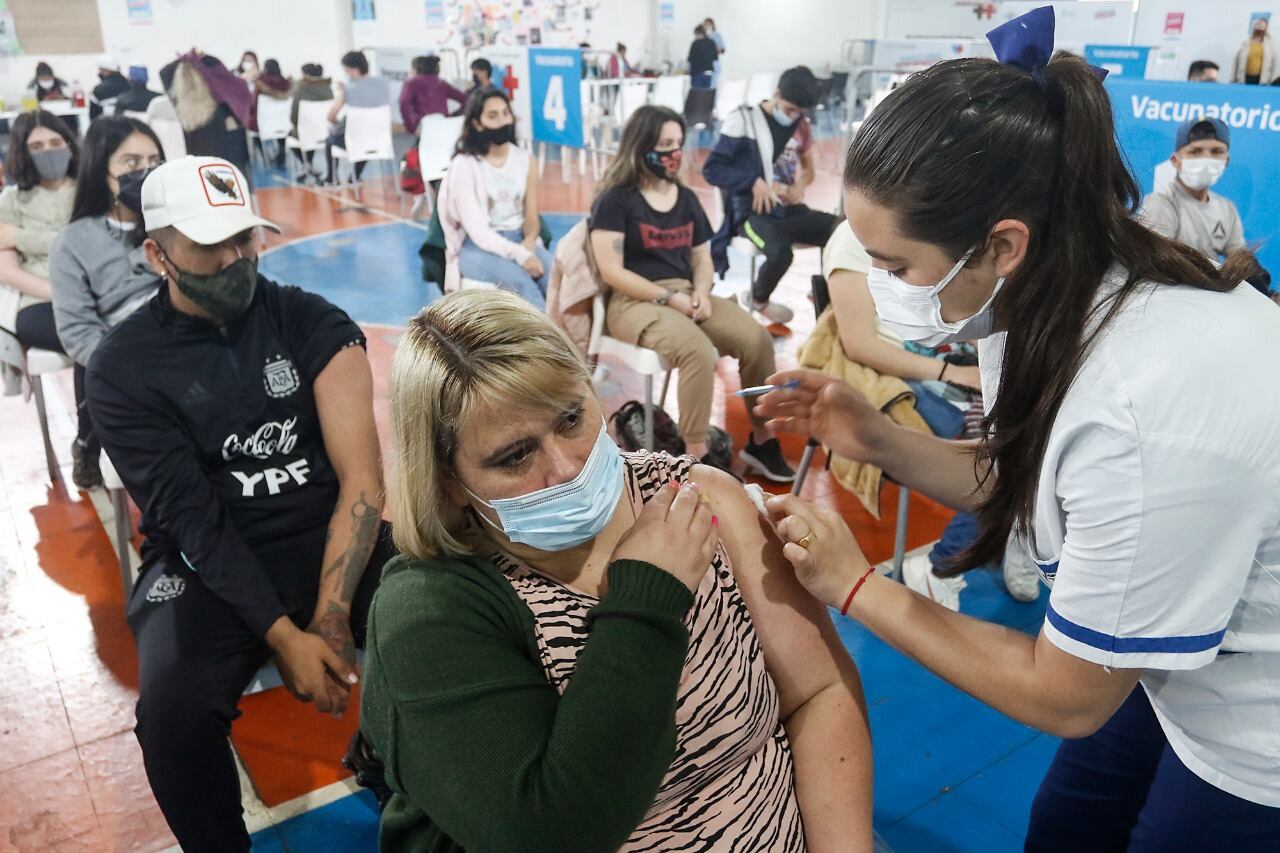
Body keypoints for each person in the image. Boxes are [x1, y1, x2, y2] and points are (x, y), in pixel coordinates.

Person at [761, 9, 1280, 850]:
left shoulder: (1142, 410)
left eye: (895, 268)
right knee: (1066, 823)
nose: (882, 287)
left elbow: (1066, 696)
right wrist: (880, 439)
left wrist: (856, 587)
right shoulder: (1046, 301)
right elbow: (1039, 482)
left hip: (1257, 725)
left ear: (1002, 243)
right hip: (1173, 657)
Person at [360, 288, 873, 852]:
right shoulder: (430, 612)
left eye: (572, 418)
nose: (566, 467)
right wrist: (648, 599)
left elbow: (820, 691)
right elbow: (552, 834)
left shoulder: (696, 497)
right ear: (447, 481)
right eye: (515, 456)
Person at [86, 155, 394, 852]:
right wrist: (285, 637)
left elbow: (363, 483)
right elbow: (196, 523)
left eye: (243, 239)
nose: (232, 259)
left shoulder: (312, 321)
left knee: (450, 616)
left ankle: (399, 764)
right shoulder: (122, 368)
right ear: (157, 254)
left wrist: (332, 618)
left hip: (325, 538)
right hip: (205, 566)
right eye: (208, 245)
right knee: (172, 715)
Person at [821, 220, 1040, 606]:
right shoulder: (850, 244)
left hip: (949, 360)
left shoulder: (930, 230)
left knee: (1034, 425)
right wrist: (953, 372)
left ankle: (1019, 532)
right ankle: (946, 563)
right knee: (1010, 455)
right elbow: (859, 345)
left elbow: (962, 307)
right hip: (904, 375)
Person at [589, 105, 795, 480]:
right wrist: (668, 298)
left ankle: (762, 442)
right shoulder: (615, 200)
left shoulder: (684, 198)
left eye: (678, 144)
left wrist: (701, 289)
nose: (673, 153)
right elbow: (611, 271)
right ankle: (697, 460)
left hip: (686, 292)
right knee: (697, 351)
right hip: (632, 302)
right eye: (665, 144)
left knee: (757, 339)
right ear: (641, 146)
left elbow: (701, 256)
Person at [49, 116, 165, 489]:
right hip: (130, 363)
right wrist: (131, 368)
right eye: (131, 163)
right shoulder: (73, 242)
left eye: (154, 161)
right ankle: (88, 443)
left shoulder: (175, 224)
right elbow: (78, 331)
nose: (145, 172)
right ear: (101, 170)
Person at [704, 65, 838, 326]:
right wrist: (752, 182)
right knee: (781, 252)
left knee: (839, 230)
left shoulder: (800, 125)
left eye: (800, 112)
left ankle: (829, 293)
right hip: (751, 214)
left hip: (787, 210)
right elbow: (712, 169)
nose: (794, 116)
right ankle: (758, 298)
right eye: (790, 109)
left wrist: (800, 184)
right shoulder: (743, 121)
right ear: (777, 93)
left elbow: (809, 169)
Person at [438, 88, 551, 308]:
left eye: (505, 113)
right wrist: (520, 255)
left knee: (557, 278)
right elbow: (479, 233)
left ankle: (565, 340)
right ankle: (543, 342)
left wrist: (529, 242)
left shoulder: (525, 160)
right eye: (492, 116)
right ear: (477, 124)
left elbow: (531, 216)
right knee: (522, 283)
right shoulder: (465, 165)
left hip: (519, 237)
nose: (502, 121)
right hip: (477, 246)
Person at [0, 111, 78, 371]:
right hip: (40, 300)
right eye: (37, 147)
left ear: (68, 143)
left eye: (55, 143)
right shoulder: (11, 200)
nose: (48, 151)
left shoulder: (90, 189)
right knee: (89, 339)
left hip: (97, 290)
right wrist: (57, 294)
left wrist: (21, 237)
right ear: (23, 153)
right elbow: (6, 270)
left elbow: (87, 243)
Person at [1139, 118, 1244, 264]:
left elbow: (1238, 257)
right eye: (1195, 151)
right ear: (1175, 160)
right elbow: (1156, 263)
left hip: (1213, 284)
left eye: (1216, 151)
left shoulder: (1226, 208)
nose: (1206, 159)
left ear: (1226, 160)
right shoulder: (1161, 203)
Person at [160, 50, 253, 177]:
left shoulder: (181, 112)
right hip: (229, 181)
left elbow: (164, 72)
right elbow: (240, 166)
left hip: (199, 180)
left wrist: (189, 59)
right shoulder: (227, 114)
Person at [323, 50, 392, 185]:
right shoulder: (384, 84)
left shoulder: (348, 89)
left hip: (355, 140)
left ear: (352, 69)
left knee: (330, 140)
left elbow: (331, 116)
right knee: (364, 136)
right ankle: (355, 175)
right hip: (380, 139)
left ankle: (331, 178)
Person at [398, 55, 467, 135]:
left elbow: (404, 103)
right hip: (442, 123)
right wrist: (453, 116)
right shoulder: (441, 83)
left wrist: (411, 126)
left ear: (416, 69)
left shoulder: (411, 83)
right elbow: (465, 99)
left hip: (423, 125)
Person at [290, 63, 334, 182]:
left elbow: (294, 118)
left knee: (293, 136)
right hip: (327, 131)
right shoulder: (328, 89)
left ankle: (307, 164)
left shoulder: (300, 90)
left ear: (305, 75)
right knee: (311, 134)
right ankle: (309, 165)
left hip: (306, 133)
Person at [249, 59, 292, 167]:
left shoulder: (260, 82)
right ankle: (281, 154)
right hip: (284, 123)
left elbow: (254, 104)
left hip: (263, 124)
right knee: (280, 126)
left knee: (251, 128)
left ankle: (264, 157)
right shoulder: (286, 84)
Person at [1233, 17, 1276, 84]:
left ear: (1266, 28)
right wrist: (1233, 79)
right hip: (1245, 77)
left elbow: (1274, 64)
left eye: (1262, 26)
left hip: (1262, 79)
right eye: (1258, 25)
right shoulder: (1245, 43)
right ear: (1254, 27)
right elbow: (1236, 62)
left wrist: (1272, 81)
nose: (1260, 28)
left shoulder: (1270, 44)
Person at [688, 25, 717, 90]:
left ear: (698, 33)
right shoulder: (711, 42)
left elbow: (690, 58)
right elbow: (715, 57)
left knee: (697, 95)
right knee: (706, 94)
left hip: (697, 72)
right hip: (708, 72)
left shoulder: (695, 44)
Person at [704, 17, 725, 87]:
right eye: (705, 25)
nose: (706, 26)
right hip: (704, 63)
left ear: (712, 25)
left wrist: (713, 49)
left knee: (713, 85)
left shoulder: (717, 35)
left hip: (714, 63)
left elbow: (722, 49)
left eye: (708, 24)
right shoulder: (703, 37)